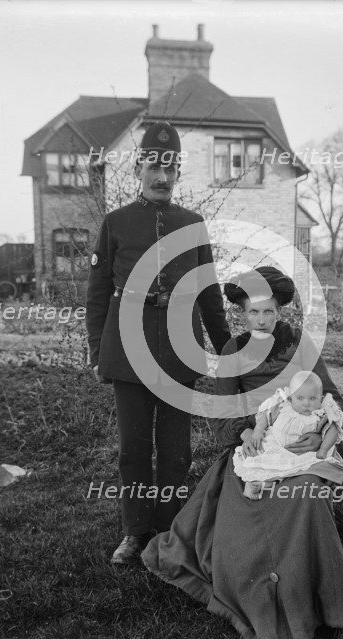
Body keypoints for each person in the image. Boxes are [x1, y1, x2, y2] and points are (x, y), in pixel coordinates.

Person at [142, 266, 343, 639]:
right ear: (241, 313)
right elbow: (221, 411)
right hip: (254, 445)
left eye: (268, 312)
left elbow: (333, 398)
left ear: (280, 310)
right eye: (253, 312)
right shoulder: (233, 349)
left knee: (307, 495)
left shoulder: (299, 343)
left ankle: (334, 609)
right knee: (244, 523)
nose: (261, 320)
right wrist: (245, 430)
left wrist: (321, 436)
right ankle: (263, 595)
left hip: (303, 445)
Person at [86, 121, 231, 565]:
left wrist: (225, 351)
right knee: (132, 449)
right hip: (128, 354)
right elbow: (96, 294)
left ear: (178, 173)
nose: (162, 176)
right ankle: (135, 532)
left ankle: (169, 531)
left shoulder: (193, 223)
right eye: (153, 165)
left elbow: (208, 294)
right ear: (139, 169)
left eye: (170, 167)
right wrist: (96, 352)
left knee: (175, 451)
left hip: (178, 354)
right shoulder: (116, 223)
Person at [234, 370, 343, 500]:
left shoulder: (321, 413)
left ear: (321, 398)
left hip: (301, 453)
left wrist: (323, 449)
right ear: (291, 397)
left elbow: (334, 430)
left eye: (312, 398)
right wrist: (258, 431)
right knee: (260, 461)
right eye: (300, 398)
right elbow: (266, 415)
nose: (306, 403)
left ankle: (268, 484)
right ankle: (256, 483)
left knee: (308, 468)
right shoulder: (283, 405)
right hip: (274, 444)